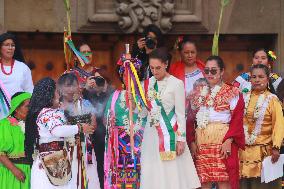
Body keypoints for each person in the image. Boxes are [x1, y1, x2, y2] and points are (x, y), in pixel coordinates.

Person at [140, 48, 201, 189]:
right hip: (151, 135)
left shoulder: (176, 84)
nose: (155, 71)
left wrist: (181, 140)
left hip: (170, 135)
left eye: (158, 68)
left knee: (171, 172)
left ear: (166, 64)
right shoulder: (146, 84)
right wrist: (134, 102)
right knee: (153, 173)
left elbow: (181, 115)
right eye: (152, 68)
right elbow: (143, 111)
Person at [25, 77, 95, 189]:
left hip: (48, 161)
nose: (59, 95)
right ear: (50, 95)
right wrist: (79, 127)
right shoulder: (49, 113)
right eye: (57, 92)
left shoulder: (42, 112)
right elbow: (57, 130)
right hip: (52, 162)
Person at [188, 56, 245, 189]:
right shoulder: (197, 93)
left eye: (213, 71)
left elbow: (237, 120)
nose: (209, 74)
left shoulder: (232, 92)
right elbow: (190, 120)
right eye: (206, 70)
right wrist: (191, 141)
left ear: (222, 71)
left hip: (222, 141)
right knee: (203, 180)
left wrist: (229, 141)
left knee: (224, 179)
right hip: (201, 142)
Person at [104, 55, 148, 189]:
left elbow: (150, 116)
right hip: (120, 145)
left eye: (131, 76)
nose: (128, 79)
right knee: (122, 179)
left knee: (141, 176)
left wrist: (135, 105)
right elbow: (105, 118)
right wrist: (108, 120)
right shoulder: (115, 96)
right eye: (125, 75)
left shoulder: (145, 95)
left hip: (141, 142)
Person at [74, 42, 112, 189]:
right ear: (77, 55)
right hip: (81, 123)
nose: (86, 55)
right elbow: (67, 95)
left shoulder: (99, 72)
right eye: (83, 52)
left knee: (102, 158)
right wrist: (84, 87)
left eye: (89, 52)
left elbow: (109, 93)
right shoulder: (71, 74)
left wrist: (103, 86)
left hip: (101, 123)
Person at [239, 64, 284, 189]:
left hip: (265, 153)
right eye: (254, 77)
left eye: (261, 77)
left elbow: (279, 125)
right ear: (250, 80)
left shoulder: (272, 100)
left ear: (267, 79)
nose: (257, 80)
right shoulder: (244, 98)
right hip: (244, 152)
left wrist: (276, 147)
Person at [57, 73, 100, 189]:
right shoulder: (56, 106)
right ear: (60, 88)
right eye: (67, 86)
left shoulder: (85, 103)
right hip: (64, 149)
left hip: (86, 148)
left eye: (74, 85)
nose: (71, 89)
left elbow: (93, 126)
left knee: (88, 178)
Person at [169, 36, 205, 147]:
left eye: (192, 52)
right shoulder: (174, 69)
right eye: (186, 52)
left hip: (203, 115)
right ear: (180, 53)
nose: (190, 55)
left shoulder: (204, 68)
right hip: (182, 116)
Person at [0, 92, 31, 189]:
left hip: (30, 171)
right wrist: (14, 170)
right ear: (17, 108)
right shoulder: (5, 124)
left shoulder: (32, 124)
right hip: (12, 172)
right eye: (27, 106)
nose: (31, 109)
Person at [0, 32, 33, 98]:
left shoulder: (23, 67)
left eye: (12, 45)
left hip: (18, 107)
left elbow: (29, 92)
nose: (10, 48)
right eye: (6, 45)